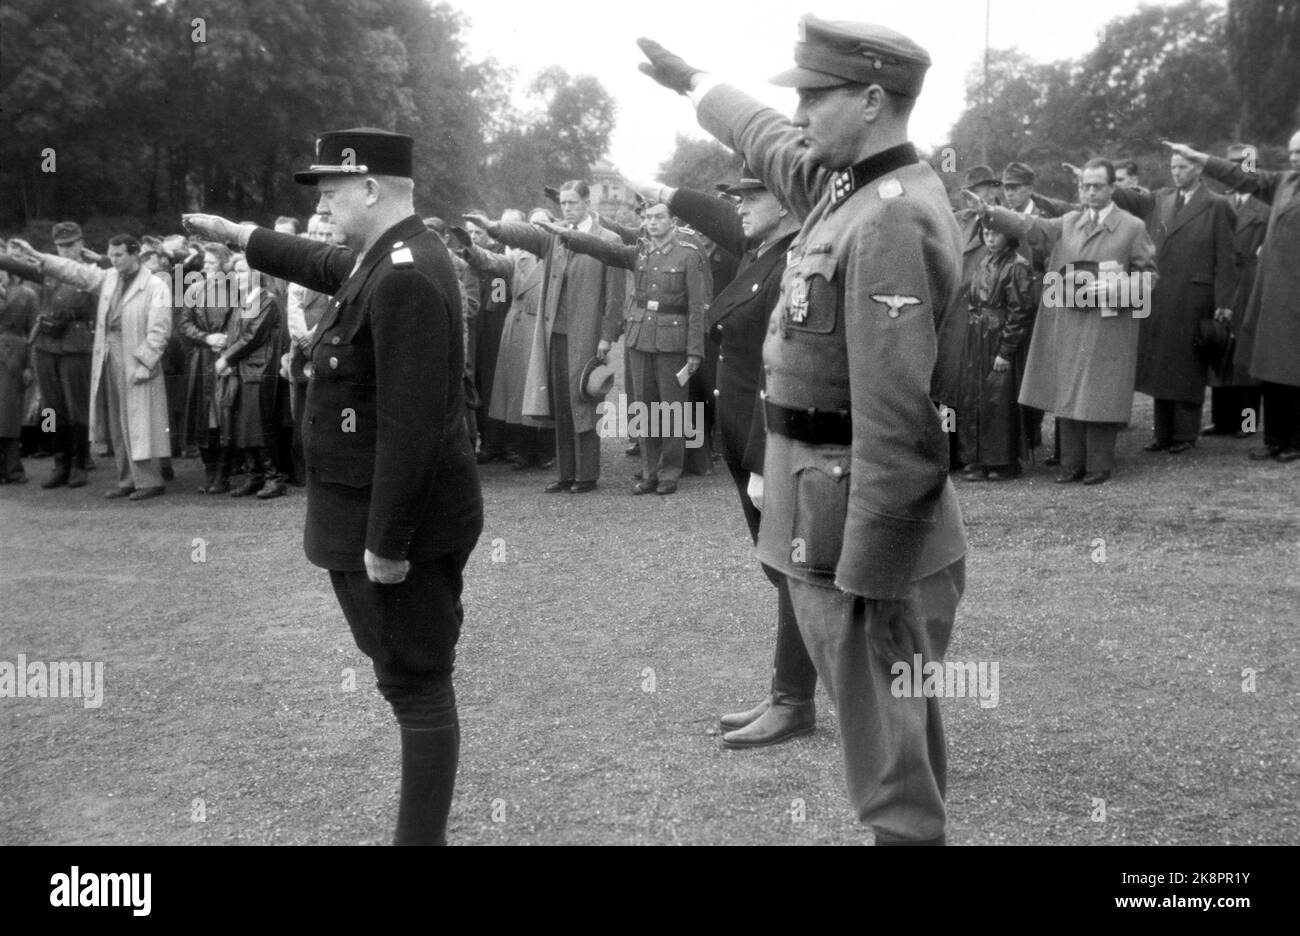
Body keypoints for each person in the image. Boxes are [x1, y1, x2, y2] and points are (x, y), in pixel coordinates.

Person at [639, 16, 968, 844]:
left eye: (815, 98)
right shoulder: (843, 181)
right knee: (896, 733)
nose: (801, 115)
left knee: (887, 758)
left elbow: (900, 418)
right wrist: (694, 83)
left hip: (856, 512)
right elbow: (762, 134)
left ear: (870, 100)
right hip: (818, 490)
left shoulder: (889, 214)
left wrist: (877, 568)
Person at [182, 126, 482, 845]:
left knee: (417, 684)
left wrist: (388, 542)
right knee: (409, 678)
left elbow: (413, 427)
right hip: (370, 511)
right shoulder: (389, 256)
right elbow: (322, 262)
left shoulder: (404, 272)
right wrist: (240, 235)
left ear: (373, 189)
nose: (322, 200)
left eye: (332, 187)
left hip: (394, 525)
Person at [623, 167, 819, 747]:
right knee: (784, 571)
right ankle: (792, 690)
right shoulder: (765, 249)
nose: (737, 206)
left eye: (750, 196)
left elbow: (781, 367)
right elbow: (717, 216)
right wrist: (662, 192)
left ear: (784, 203)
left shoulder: (796, 258)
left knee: (796, 571)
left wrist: (764, 458)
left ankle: (796, 700)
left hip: (770, 442)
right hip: (742, 439)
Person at [971, 159, 1158, 485]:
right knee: (1069, 390)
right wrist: (991, 211)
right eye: (1085, 185)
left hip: (1108, 323)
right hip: (1070, 320)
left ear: (1112, 188)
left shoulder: (1132, 227)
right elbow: (1027, 224)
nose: (1089, 191)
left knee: (1100, 391)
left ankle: (1098, 465)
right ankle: (1071, 464)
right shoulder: (1068, 222)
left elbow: (1150, 275)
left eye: (1097, 185)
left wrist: (1121, 286)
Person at [534, 201, 710, 495]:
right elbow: (605, 250)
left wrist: (695, 351)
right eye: (648, 218)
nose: (652, 222)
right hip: (640, 338)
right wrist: (567, 234)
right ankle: (650, 470)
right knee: (644, 406)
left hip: (672, 341)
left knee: (672, 408)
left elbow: (696, 307)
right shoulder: (640, 252)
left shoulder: (689, 255)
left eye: (658, 217)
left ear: (672, 221)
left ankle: (670, 472)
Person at [465, 182, 625, 494]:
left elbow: (615, 297)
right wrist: (494, 228)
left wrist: (607, 336)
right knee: (560, 403)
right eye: (563, 203)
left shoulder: (609, 240)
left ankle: (587, 474)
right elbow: (526, 235)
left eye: (572, 203)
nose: (567, 208)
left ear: (586, 202)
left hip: (587, 332)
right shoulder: (555, 236)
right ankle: (567, 473)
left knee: (584, 400)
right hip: (554, 332)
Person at [1165, 134, 1300, 462]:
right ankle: (1273, 439)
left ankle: (1290, 440)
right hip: (1268, 293)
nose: (1294, 158)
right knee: (1264, 369)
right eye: (1292, 151)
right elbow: (1241, 177)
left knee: (1292, 370)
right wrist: (1200, 157)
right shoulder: (1284, 181)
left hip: (1293, 292)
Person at [16, 234, 173, 500]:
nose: (113, 260)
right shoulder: (109, 277)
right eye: (110, 255)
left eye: (119, 255)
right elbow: (75, 271)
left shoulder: (156, 285)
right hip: (108, 355)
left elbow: (160, 329)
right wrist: (40, 256)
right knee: (116, 421)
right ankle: (126, 479)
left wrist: (147, 361)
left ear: (135, 254)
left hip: (136, 357)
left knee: (138, 421)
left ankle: (148, 480)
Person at [1109, 152, 1236, 453]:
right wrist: (1103, 183)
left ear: (1197, 168)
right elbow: (1128, 198)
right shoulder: (1161, 197)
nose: (1177, 172)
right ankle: (1163, 433)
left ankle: (1185, 435)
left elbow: (1227, 257)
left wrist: (1224, 301)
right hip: (1162, 293)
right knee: (1160, 365)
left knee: (1188, 364)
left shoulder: (1217, 204)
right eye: (1173, 167)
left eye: (1183, 167)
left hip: (1195, 294)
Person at [450, 210, 555, 470]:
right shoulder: (516, 255)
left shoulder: (557, 253)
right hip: (518, 325)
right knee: (518, 390)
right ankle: (522, 448)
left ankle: (546, 449)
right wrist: (471, 247)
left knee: (541, 388)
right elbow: (492, 262)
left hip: (541, 325)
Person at [0, 223, 97, 488]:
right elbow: (17, 266)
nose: (66, 250)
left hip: (75, 345)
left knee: (76, 408)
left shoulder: (92, 271)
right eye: (61, 246)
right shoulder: (49, 269)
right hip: (46, 345)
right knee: (51, 410)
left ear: (81, 243)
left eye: (71, 244)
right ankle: (60, 460)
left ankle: (79, 462)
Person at [956, 223, 1036, 479]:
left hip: (998, 336)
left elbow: (1020, 311)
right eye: (986, 234)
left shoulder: (1017, 265)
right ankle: (979, 458)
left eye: (995, 233)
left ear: (1008, 235)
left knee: (999, 399)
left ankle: (1003, 461)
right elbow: (974, 297)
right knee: (976, 396)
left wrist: (1006, 349)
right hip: (978, 336)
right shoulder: (986, 259)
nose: (990, 238)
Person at [1204, 143, 1267, 437]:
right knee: (1221, 350)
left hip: (1253, 283)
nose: (1236, 168)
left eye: (1243, 163)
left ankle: (1247, 422)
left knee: (1246, 358)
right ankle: (1221, 420)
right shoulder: (1220, 201)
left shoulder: (1266, 204)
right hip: (1225, 281)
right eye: (1231, 163)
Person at [215, 254, 285, 499]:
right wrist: (225, 350)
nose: (237, 276)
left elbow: (252, 336)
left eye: (242, 271)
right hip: (241, 369)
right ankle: (255, 477)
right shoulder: (242, 301)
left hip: (258, 369)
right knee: (243, 424)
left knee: (258, 424)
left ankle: (274, 478)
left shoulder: (267, 301)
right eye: (235, 272)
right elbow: (236, 335)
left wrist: (226, 358)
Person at [178, 243, 238, 493]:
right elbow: (183, 324)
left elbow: (242, 322)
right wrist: (206, 338)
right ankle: (210, 472)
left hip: (228, 358)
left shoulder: (235, 291)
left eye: (212, 264)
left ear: (224, 266)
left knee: (224, 415)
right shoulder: (195, 290)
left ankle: (223, 474)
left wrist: (225, 339)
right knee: (205, 416)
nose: (206, 268)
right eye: (205, 264)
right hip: (202, 360)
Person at [0, 268, 37, 483]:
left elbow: (33, 332)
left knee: (11, 414)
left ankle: (13, 469)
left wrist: (29, 366)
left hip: (15, 354)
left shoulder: (26, 294)